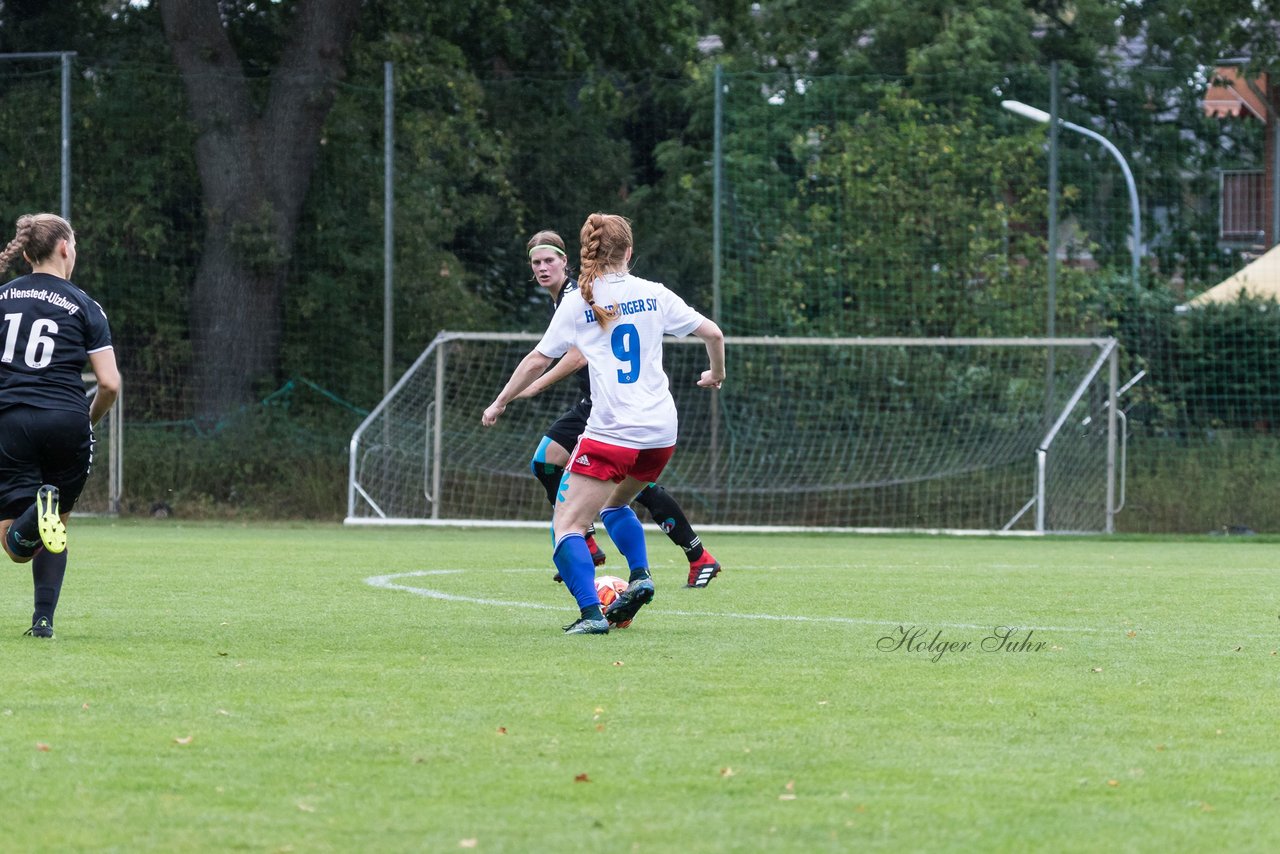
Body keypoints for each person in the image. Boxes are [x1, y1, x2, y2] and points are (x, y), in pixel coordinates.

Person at [483, 213, 725, 634]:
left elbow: (539, 359)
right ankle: (641, 578)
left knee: (567, 527)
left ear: (586, 253)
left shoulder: (581, 299)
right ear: (629, 252)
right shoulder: (654, 293)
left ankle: (592, 614)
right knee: (616, 504)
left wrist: (502, 400)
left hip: (612, 430)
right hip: (661, 433)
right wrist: (715, 374)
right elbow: (714, 334)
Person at [0, 213, 120, 639]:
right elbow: (108, 384)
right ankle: (43, 620)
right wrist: (86, 420)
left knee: (16, 545)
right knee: (56, 529)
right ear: (65, 248)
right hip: (69, 421)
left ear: (27, 253)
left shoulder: (2, 298)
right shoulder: (86, 305)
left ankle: (37, 508)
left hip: (11, 421)